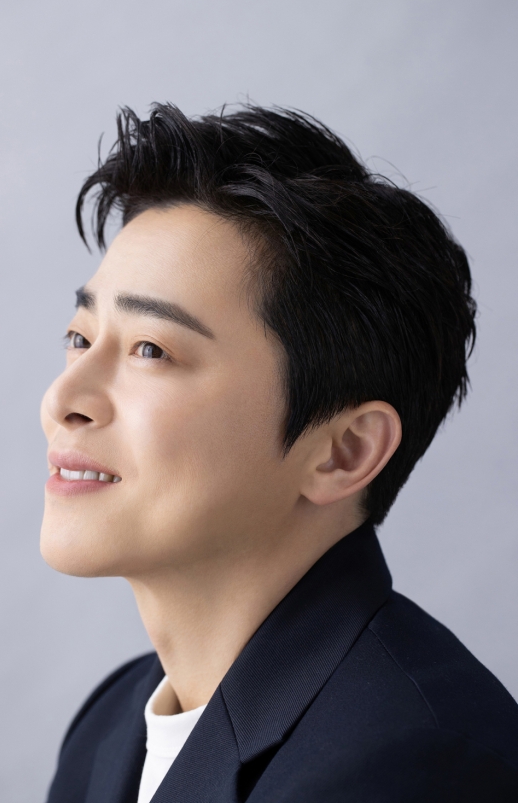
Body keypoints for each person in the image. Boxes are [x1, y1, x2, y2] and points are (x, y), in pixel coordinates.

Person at [40, 104, 518, 803]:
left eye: (150, 349)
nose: (63, 399)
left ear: (343, 452)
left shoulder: (414, 763)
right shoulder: (109, 726)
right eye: (80, 338)